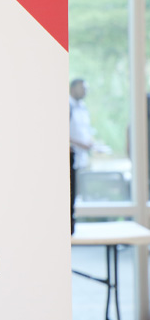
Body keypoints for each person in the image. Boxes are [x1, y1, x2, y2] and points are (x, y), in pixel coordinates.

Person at [69, 78, 94, 233]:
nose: (84, 91)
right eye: (81, 88)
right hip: (69, 156)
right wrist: (80, 143)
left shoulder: (82, 108)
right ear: (73, 88)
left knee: (75, 193)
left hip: (80, 158)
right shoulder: (66, 106)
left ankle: (72, 226)